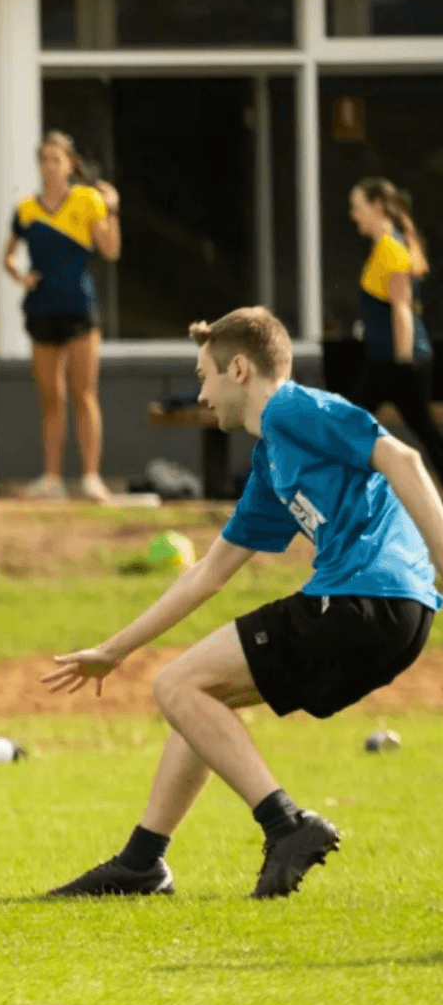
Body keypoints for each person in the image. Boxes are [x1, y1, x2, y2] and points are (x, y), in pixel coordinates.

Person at [42, 306, 442, 900]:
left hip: (364, 598)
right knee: (198, 694)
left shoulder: (291, 408)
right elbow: (205, 576)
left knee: (176, 687)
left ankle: (286, 824)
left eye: (204, 376)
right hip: (397, 616)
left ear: (238, 368)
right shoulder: (271, 463)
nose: (200, 394)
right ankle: (142, 860)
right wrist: (113, 650)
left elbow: (402, 458)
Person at [4, 131, 121, 503]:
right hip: (41, 309)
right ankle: (52, 478)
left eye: (56, 159)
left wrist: (113, 208)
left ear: (70, 164)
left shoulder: (87, 201)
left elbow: (111, 250)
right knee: (50, 398)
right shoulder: (26, 209)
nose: (49, 166)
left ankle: (90, 478)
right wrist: (19, 275)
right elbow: (7, 255)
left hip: (80, 309)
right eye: (44, 159)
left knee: (84, 393)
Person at [349, 176, 443, 482]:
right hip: (385, 360)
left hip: (400, 361)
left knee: (424, 430)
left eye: (357, 207)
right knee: (351, 423)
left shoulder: (391, 248)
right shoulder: (384, 247)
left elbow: (402, 308)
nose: (354, 215)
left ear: (377, 206)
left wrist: (402, 364)